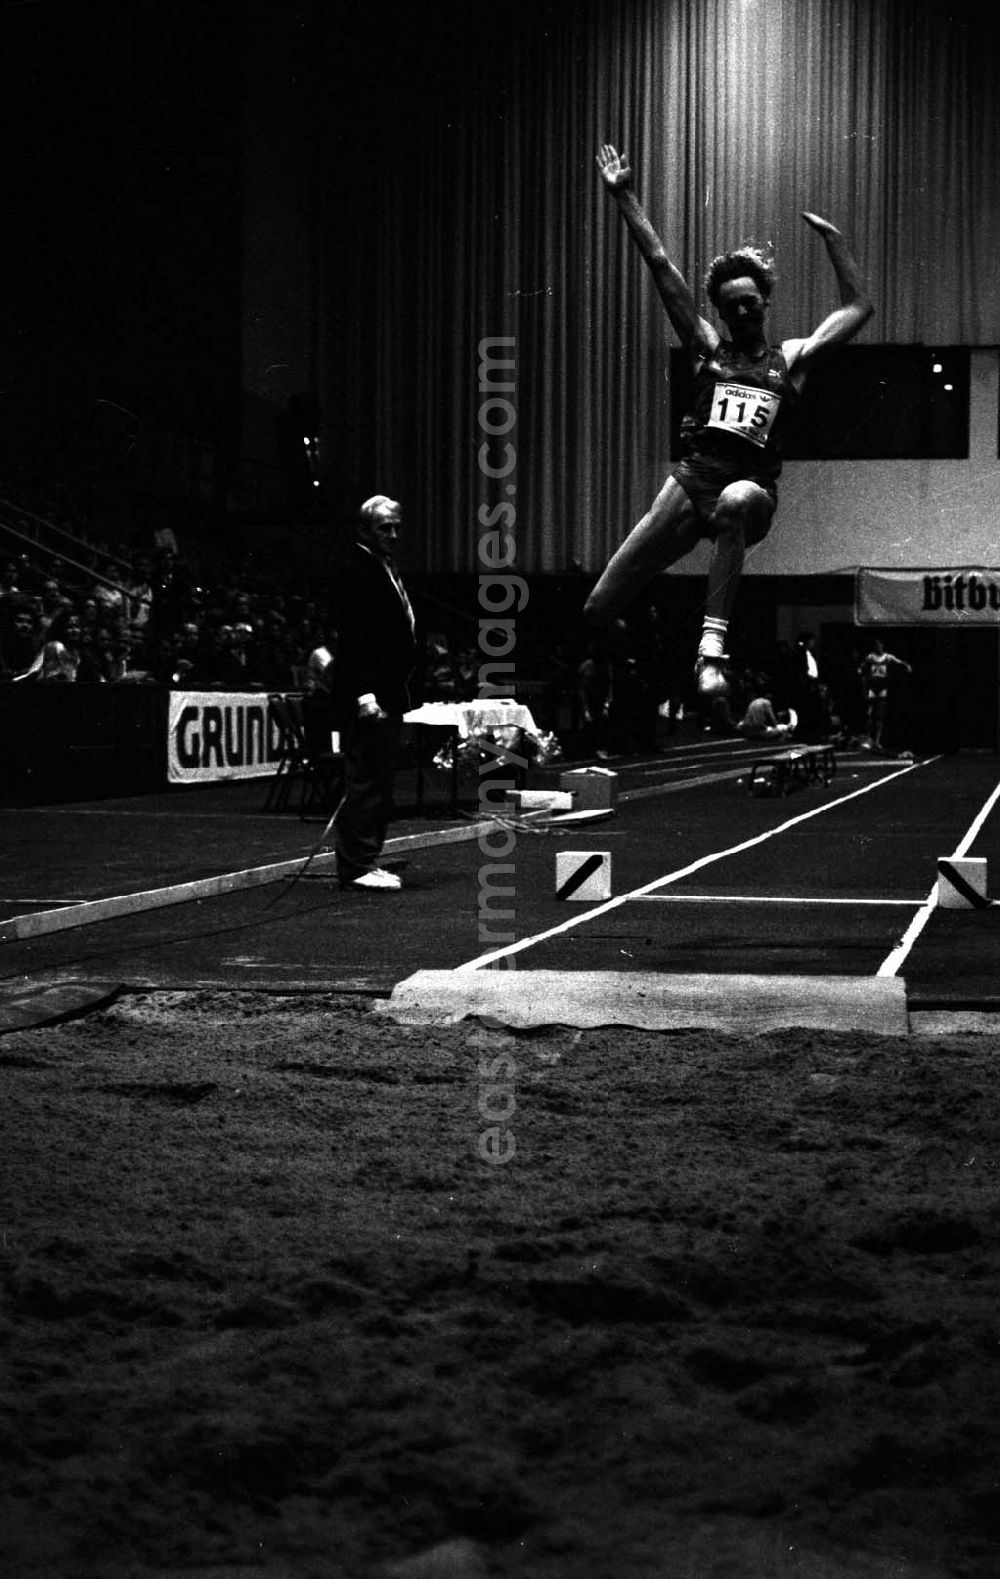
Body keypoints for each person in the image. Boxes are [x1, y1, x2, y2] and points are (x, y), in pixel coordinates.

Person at [586, 143, 874, 699]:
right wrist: (625, 198)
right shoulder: (707, 349)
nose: (741, 312)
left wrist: (835, 242)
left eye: (750, 302)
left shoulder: (790, 360)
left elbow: (858, 308)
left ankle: (711, 652)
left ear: (765, 302)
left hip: (751, 490)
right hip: (692, 479)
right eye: (730, 306)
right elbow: (661, 266)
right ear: (719, 311)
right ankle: (652, 677)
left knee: (737, 500)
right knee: (598, 606)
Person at [329, 495, 418, 891]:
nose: (394, 534)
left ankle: (366, 857)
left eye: (397, 526)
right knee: (365, 780)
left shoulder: (385, 567)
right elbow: (353, 640)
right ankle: (356, 864)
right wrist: (364, 695)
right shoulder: (356, 569)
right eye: (385, 528)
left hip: (389, 692)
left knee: (380, 781)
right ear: (365, 530)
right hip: (369, 696)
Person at [858, 638, 912, 752]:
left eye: (880, 645)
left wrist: (906, 665)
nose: (878, 647)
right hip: (873, 686)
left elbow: (899, 662)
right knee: (869, 714)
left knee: (880, 715)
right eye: (876, 645)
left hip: (882, 686)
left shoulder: (888, 657)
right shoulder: (871, 657)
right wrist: (860, 669)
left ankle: (877, 741)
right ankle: (869, 739)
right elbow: (862, 665)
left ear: (882, 646)